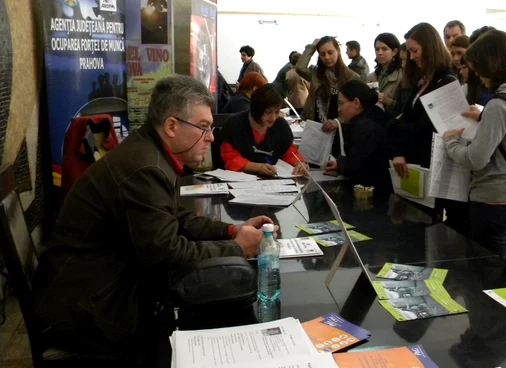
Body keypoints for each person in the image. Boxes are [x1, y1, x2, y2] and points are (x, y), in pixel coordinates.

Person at [32, 75, 275, 356]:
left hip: (100, 283)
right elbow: (166, 254)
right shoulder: (146, 168)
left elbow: (175, 218)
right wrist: (237, 248)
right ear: (171, 126)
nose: (211, 137)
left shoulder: (151, 151)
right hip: (89, 305)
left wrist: (232, 232)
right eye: (204, 128)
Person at [442, 30, 506, 268]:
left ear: (494, 63)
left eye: (479, 68)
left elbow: (476, 158)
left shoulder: (499, 103)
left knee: (487, 275)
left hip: (493, 200)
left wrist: (451, 142)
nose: (478, 74)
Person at [388, 23, 468, 231]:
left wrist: (394, 125)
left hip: (433, 164)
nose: (412, 57)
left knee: (426, 227)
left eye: (415, 50)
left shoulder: (446, 81)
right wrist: (398, 144)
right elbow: (406, 119)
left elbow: (425, 128)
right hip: (414, 162)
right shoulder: (421, 80)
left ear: (429, 47)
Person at [220, 84, 307, 176]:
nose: (273, 117)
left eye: (277, 112)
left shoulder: (281, 125)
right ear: (256, 109)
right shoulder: (234, 124)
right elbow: (229, 156)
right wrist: (255, 167)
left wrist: (298, 163)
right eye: (268, 112)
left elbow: (289, 152)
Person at [297, 36, 360, 156]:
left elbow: (357, 108)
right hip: (316, 128)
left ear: (338, 51)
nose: (327, 57)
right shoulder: (316, 73)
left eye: (330, 52)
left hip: (340, 130)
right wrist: (312, 47)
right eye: (322, 54)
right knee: (313, 167)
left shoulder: (352, 77)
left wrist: (339, 121)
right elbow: (299, 68)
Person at [323, 80, 390, 191]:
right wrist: (340, 165)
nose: (339, 109)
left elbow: (355, 167)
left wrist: (341, 163)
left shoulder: (363, 126)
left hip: (371, 191)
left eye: (341, 103)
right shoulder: (373, 116)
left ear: (356, 103)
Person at [367, 33, 404, 116]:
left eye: (384, 49)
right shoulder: (370, 77)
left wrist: (386, 100)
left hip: (391, 121)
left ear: (394, 51)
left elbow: (404, 106)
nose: (380, 53)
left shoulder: (402, 76)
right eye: (377, 49)